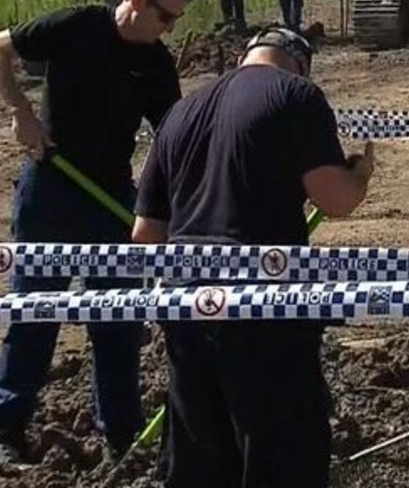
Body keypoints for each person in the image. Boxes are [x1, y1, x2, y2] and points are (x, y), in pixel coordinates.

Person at [132, 26, 374, 488]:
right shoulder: (296, 96)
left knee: (200, 464)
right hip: (264, 313)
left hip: (185, 311)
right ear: (299, 63)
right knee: (280, 459)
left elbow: (145, 236)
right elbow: (336, 200)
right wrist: (361, 174)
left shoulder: (181, 112)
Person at [0, 0, 189, 470]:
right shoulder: (78, 26)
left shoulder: (156, 64)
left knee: (117, 320)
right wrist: (21, 112)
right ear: (137, 1)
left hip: (111, 196)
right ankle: (4, 433)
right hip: (51, 186)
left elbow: (172, 140)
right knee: (34, 313)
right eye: (166, 17)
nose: (170, 29)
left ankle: (122, 437)